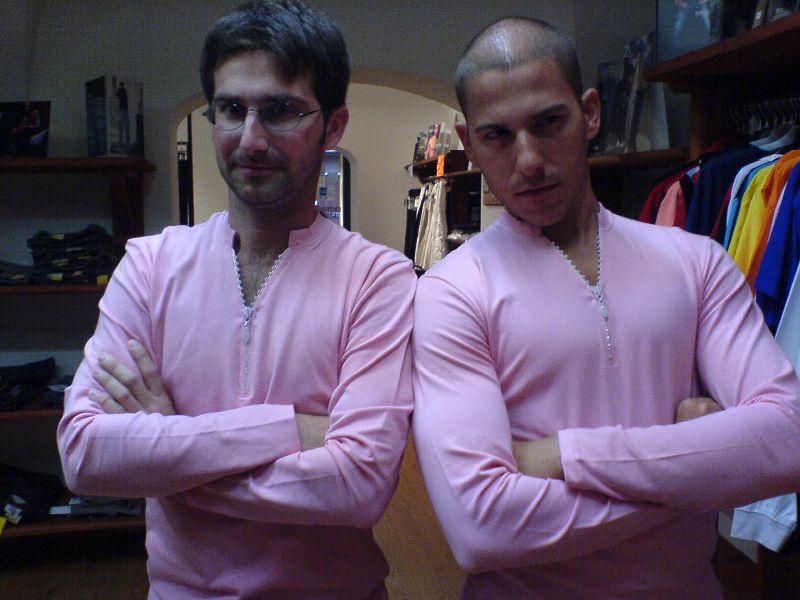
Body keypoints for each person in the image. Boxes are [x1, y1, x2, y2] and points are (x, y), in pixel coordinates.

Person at [411, 16, 800, 599]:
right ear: (470, 144)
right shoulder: (451, 292)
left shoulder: (696, 261)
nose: (528, 160)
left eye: (549, 123)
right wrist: (698, 469)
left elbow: (788, 439)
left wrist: (567, 454)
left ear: (590, 114)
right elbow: (483, 528)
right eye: (498, 136)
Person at [57, 2, 415, 598]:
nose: (250, 139)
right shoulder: (150, 265)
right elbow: (83, 454)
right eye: (229, 110)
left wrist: (169, 449)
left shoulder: (378, 278)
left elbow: (359, 486)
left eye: (280, 111)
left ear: (333, 126)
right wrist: (290, 429)